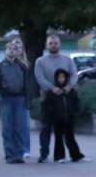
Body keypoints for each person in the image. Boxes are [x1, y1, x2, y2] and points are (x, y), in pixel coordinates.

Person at [33, 34, 79, 163]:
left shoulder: (67, 60)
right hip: (48, 99)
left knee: (67, 128)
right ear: (47, 45)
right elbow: (39, 77)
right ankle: (44, 154)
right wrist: (52, 88)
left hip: (65, 100)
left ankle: (74, 154)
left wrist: (69, 86)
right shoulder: (40, 61)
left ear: (60, 44)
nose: (53, 45)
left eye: (56, 43)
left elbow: (74, 74)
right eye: (51, 43)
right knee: (46, 127)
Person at [0, 39, 31, 163]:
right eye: (9, 48)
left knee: (20, 128)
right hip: (5, 100)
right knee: (7, 128)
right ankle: (10, 155)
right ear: (5, 51)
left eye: (14, 49)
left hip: (20, 99)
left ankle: (19, 154)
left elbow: (27, 83)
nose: (12, 50)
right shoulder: (0, 66)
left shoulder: (22, 66)